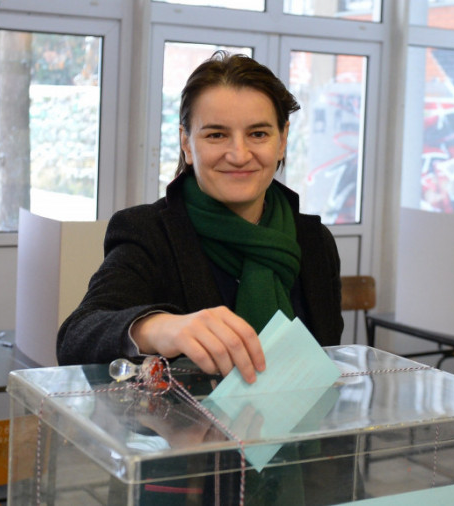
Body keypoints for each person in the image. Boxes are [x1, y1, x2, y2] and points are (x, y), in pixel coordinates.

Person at [57, 51, 343, 386]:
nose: (239, 155)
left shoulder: (314, 241)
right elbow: (76, 337)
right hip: (190, 422)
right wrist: (158, 327)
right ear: (187, 144)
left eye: (258, 134)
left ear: (282, 141)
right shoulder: (148, 232)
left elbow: (328, 357)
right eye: (216, 135)